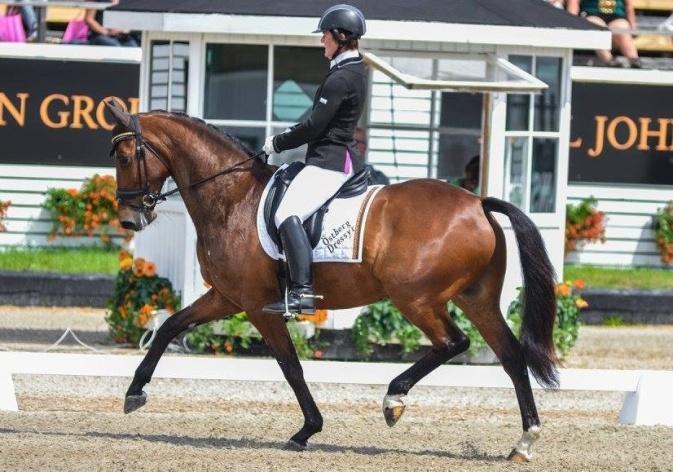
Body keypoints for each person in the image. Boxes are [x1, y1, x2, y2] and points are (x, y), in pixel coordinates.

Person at [261, 4, 368, 315]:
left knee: (286, 214)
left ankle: (302, 293)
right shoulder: (353, 70)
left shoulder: (341, 78)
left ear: (341, 36)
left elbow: (314, 126)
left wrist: (277, 143)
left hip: (329, 161)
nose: (322, 40)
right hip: (335, 157)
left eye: (325, 35)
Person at [567, 0, 641, 68]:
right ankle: (609, 60)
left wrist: (632, 25)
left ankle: (634, 60)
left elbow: (628, 5)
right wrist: (572, 23)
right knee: (595, 27)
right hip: (591, 14)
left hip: (616, 17)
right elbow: (574, 2)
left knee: (622, 28)